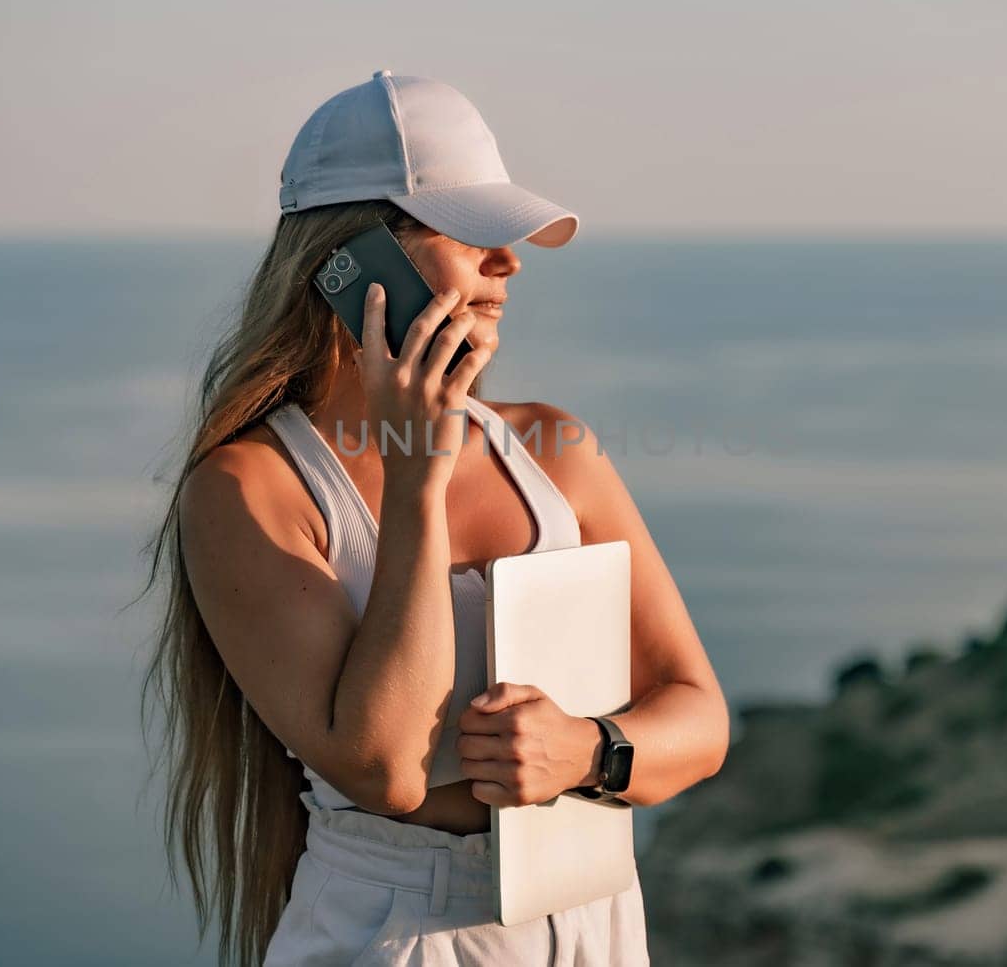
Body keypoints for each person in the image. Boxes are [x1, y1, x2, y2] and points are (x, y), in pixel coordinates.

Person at [139, 70, 730, 966]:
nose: (511, 261)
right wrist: (419, 481)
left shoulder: (556, 448)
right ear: (351, 264)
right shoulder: (247, 490)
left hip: (594, 914)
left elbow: (701, 717)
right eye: (471, 234)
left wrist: (587, 753)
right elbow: (384, 767)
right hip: (397, 932)